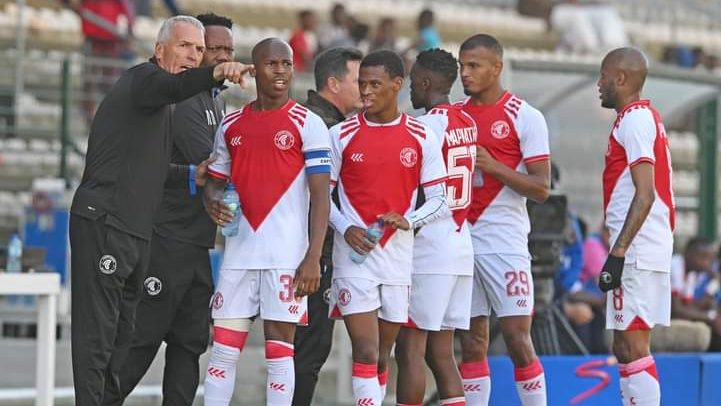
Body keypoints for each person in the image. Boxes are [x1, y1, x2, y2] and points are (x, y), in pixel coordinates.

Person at [69, 15, 251, 405]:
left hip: (137, 230)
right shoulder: (145, 81)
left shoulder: (165, 103)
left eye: (199, 50)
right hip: (105, 221)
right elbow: (176, 84)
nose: (193, 55)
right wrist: (216, 72)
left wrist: (192, 176)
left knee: (122, 337)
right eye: (185, 46)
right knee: (98, 335)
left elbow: (151, 166)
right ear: (159, 49)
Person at [202, 38, 331, 406]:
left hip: (286, 258)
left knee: (279, 353)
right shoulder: (230, 124)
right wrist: (212, 202)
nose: (281, 71)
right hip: (239, 254)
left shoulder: (309, 124)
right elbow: (215, 183)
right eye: (272, 64)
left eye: (287, 64)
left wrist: (312, 257)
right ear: (254, 69)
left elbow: (321, 198)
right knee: (224, 352)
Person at [328, 49, 448, 406]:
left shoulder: (421, 135)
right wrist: (346, 227)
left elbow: (441, 199)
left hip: (397, 260)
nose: (365, 91)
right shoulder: (341, 134)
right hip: (353, 259)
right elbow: (319, 197)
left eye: (375, 84)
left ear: (398, 85)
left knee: (382, 354)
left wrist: (409, 220)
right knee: (364, 350)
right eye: (362, 83)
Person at [456, 34, 551, 406]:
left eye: (474, 66)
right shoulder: (455, 115)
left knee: (517, 338)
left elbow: (542, 188)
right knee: (472, 339)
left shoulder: (525, 116)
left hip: (505, 240)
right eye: (462, 66)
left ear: (497, 67)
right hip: (463, 237)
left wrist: (494, 166)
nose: (465, 73)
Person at [395, 48, 476, 406]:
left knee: (409, 348)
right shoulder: (466, 121)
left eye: (413, 82)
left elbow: (412, 189)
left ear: (427, 82)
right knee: (441, 353)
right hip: (461, 242)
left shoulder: (423, 127)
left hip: (430, 245)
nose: (409, 90)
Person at [596, 47, 675, 406]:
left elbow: (645, 194)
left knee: (632, 344)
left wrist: (618, 252)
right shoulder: (641, 118)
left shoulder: (635, 120)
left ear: (622, 79)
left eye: (604, 76)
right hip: (645, 245)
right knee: (625, 345)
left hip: (637, 249)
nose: (599, 84)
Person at [292, 46, 363, 406]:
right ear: (333, 83)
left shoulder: (306, 118)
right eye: (358, 79)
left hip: (309, 252)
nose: (365, 87)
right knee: (306, 353)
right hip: (313, 256)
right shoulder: (323, 127)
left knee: (300, 352)